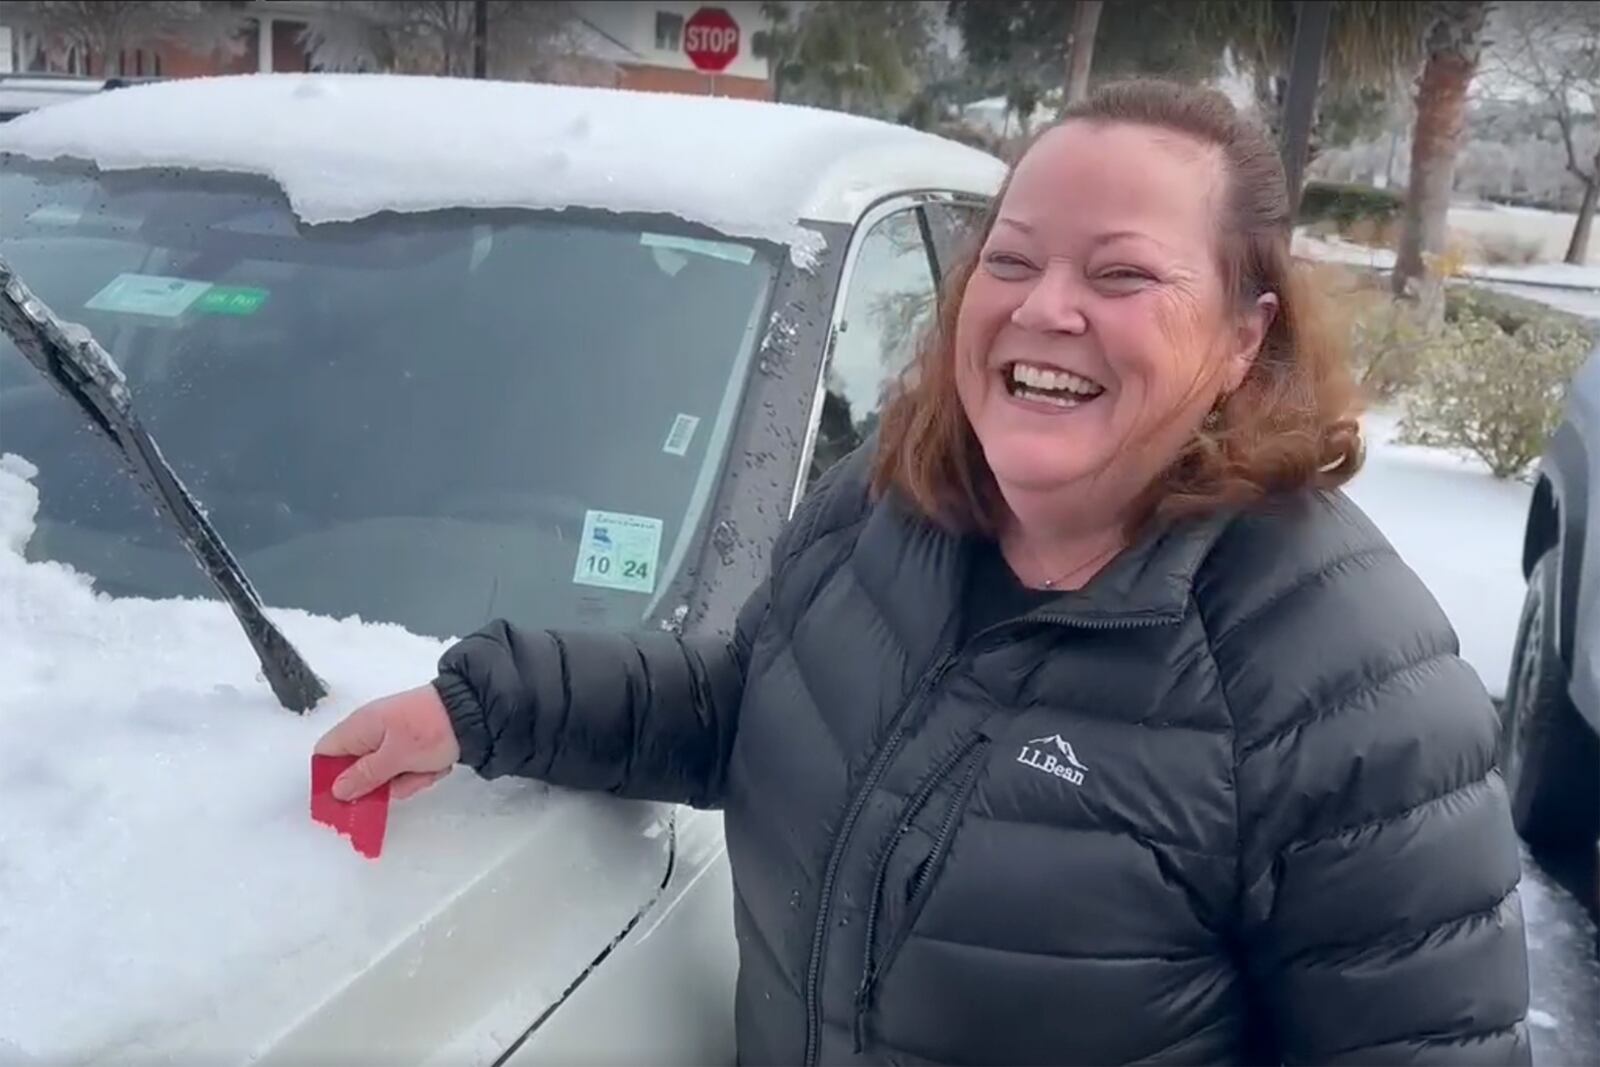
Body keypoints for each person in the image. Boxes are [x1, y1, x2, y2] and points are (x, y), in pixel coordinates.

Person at [315, 79, 1532, 1065]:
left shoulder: (1342, 684)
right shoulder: (883, 507)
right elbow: (757, 711)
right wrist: (489, 702)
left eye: (1121, 275)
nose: (1047, 308)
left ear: (1241, 335)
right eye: (1012, 259)